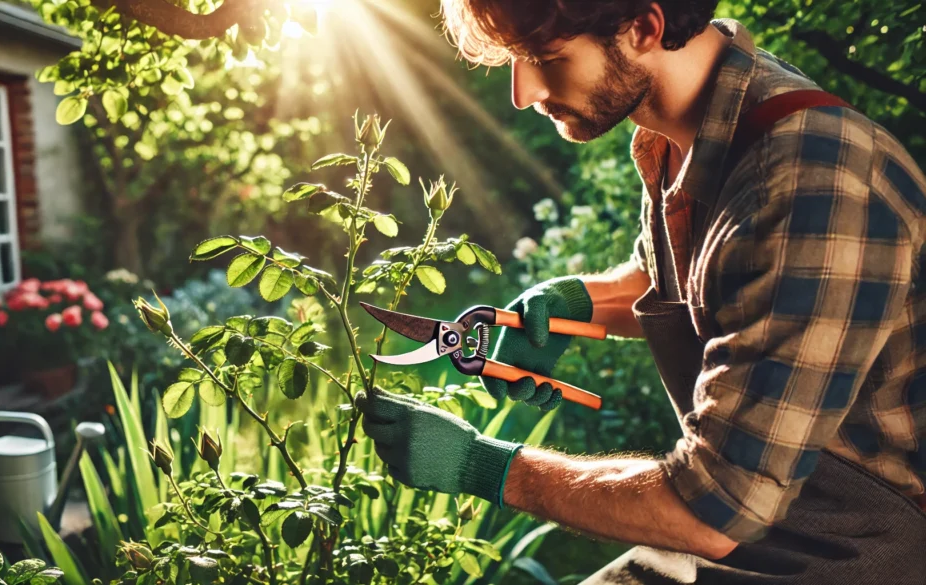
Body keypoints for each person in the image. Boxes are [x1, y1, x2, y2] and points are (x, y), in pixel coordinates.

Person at [354, 1, 926, 583]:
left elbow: (715, 509)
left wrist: (489, 468)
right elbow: (699, 275)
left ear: (645, 27)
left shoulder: (811, 180)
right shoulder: (693, 128)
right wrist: (574, 301)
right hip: (766, 518)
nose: (521, 94)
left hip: (862, 549)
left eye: (545, 59)